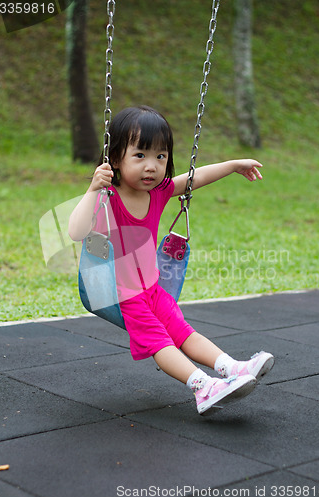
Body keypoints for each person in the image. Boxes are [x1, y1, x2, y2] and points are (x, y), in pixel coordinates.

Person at [69, 105, 274, 416]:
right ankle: (202, 387)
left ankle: (233, 367)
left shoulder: (159, 193)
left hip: (153, 290)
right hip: (126, 297)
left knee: (185, 333)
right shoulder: (107, 198)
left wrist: (233, 164)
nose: (151, 166)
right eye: (140, 156)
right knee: (160, 343)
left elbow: (196, 176)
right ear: (114, 160)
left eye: (160, 157)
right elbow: (75, 231)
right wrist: (92, 188)